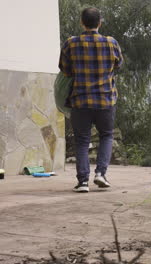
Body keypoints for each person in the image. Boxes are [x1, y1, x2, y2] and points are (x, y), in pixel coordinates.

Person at [59, 7, 123, 192]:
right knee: (106, 135)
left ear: (82, 22)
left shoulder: (71, 43)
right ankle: (101, 174)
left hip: (80, 100)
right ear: (100, 23)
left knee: (81, 140)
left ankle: (83, 182)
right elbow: (118, 64)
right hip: (105, 100)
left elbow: (65, 70)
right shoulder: (111, 43)